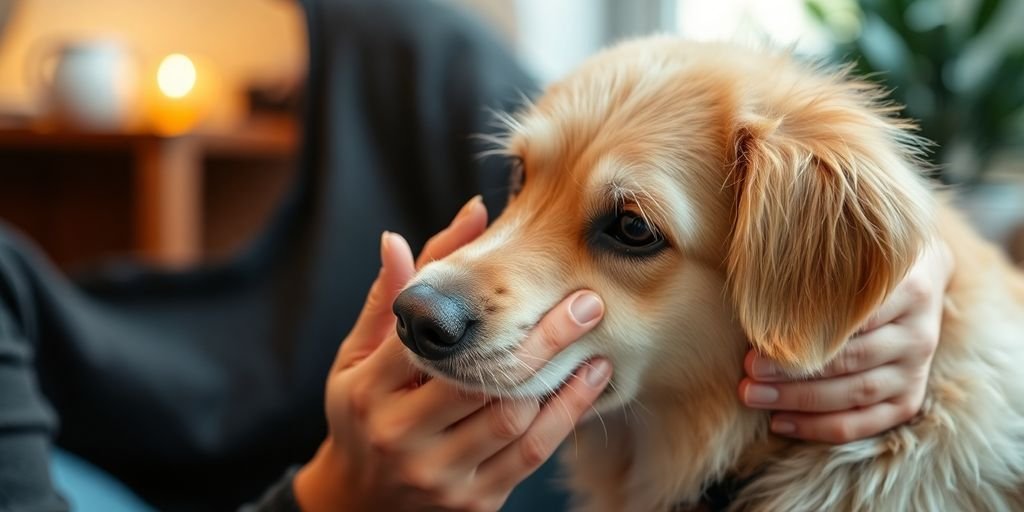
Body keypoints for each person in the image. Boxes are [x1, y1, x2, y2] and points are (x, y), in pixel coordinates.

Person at [0, 0, 953, 511]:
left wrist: (914, 280)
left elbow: (675, 136)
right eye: (519, 181)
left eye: (627, 230)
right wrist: (337, 506)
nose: (431, 303)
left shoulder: (418, 51)